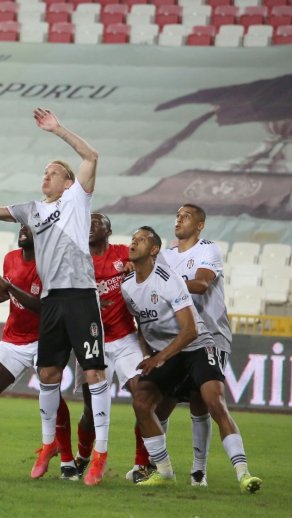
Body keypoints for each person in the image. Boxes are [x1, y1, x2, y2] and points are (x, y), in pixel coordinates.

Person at [0, 109, 110, 486]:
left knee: (94, 373)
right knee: (48, 375)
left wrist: (57, 129)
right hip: (53, 300)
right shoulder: (33, 211)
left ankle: (99, 455)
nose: (45, 176)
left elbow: (91, 157)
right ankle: (49, 446)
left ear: (67, 182)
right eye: (44, 172)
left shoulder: (77, 200)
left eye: (53, 173)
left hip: (80, 295)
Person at [122, 226, 261, 493]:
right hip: (167, 353)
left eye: (141, 239)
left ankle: (244, 474)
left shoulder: (168, 279)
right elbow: (142, 325)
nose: (133, 242)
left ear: (154, 250)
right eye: (132, 239)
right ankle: (164, 472)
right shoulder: (128, 287)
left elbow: (190, 330)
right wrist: (148, 352)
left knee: (214, 403)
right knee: (141, 403)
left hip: (197, 346)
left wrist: (157, 357)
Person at [0, 226, 76, 480]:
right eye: (21, 226)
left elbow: (45, 308)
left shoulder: (50, 265)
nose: (23, 229)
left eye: (31, 227)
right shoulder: (11, 258)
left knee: (52, 395)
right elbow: (5, 293)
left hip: (45, 339)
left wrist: (9, 286)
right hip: (13, 340)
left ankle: (67, 460)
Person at [156, 204, 234, 487]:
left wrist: (162, 279)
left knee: (201, 401)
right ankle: (157, 466)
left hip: (211, 335)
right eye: (176, 215)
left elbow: (200, 284)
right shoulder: (165, 255)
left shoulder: (208, 249)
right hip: (178, 338)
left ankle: (198, 470)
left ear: (200, 225)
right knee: (160, 402)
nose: (179, 219)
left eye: (186, 216)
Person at [74, 213, 149, 482]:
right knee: (90, 413)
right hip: (91, 339)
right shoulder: (78, 259)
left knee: (143, 399)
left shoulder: (122, 254)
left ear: (109, 230)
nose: (91, 226)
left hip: (124, 338)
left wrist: (135, 270)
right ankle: (83, 457)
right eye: (88, 222)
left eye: (98, 223)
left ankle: (142, 465)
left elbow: (148, 271)